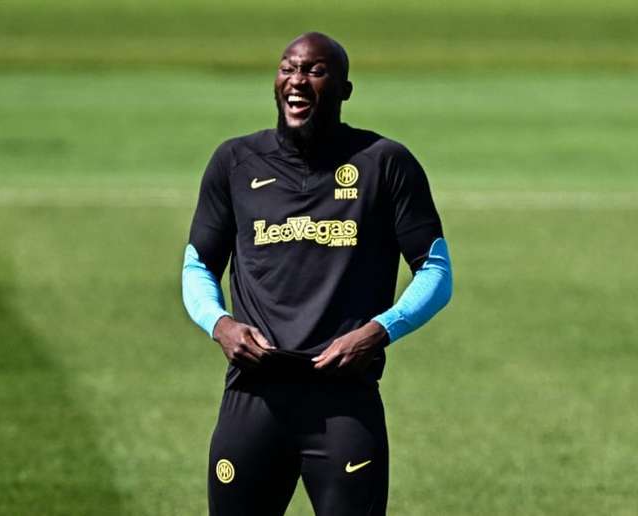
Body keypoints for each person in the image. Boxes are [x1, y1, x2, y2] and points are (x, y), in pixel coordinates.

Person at [182, 32, 452, 516]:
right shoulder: (234, 162)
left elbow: (436, 272)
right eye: (288, 68)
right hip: (254, 395)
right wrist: (219, 324)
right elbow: (197, 265)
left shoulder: (384, 164)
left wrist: (377, 333)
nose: (298, 80)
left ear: (345, 89)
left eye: (314, 70)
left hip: (344, 401)